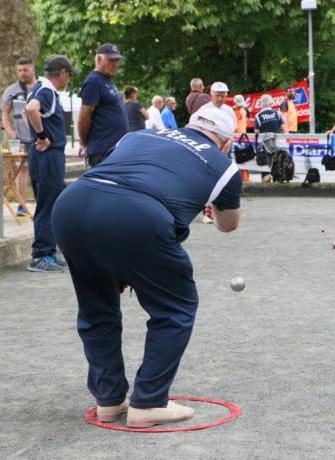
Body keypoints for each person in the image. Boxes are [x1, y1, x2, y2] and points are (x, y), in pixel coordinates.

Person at [51, 104, 242, 429]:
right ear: (225, 142)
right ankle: (149, 402)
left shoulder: (137, 135)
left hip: (72, 205)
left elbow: (119, 175)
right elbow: (228, 225)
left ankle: (109, 401)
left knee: (97, 309)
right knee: (177, 307)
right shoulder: (224, 166)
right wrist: (211, 205)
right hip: (137, 216)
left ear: (188, 125)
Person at [24, 55, 76, 272]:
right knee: (48, 205)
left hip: (43, 155)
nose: (69, 79)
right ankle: (41, 255)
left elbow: (28, 108)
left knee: (50, 203)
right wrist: (43, 136)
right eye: (69, 75)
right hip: (49, 154)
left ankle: (48, 251)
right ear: (62, 73)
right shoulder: (46, 91)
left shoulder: (39, 88)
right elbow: (31, 109)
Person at [78, 43, 128, 167]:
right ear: (99, 59)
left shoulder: (107, 80)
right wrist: (84, 143)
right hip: (103, 151)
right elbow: (83, 118)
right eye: (111, 59)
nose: (115, 64)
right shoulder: (93, 81)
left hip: (114, 149)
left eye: (117, 60)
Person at [1, 57, 37, 217]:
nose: (22, 73)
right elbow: (4, 113)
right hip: (21, 138)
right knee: (22, 170)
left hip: (40, 136)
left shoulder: (41, 87)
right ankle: (22, 205)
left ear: (33, 69)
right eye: (19, 70)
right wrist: (11, 132)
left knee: (40, 169)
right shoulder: (12, 90)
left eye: (25, 70)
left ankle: (42, 201)